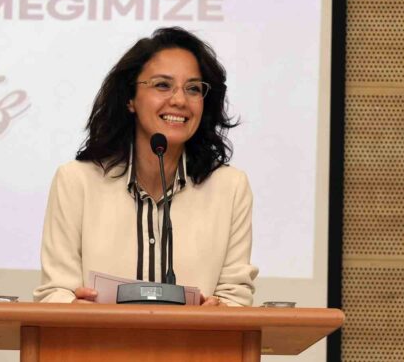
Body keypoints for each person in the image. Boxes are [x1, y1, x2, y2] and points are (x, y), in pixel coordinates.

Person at [33, 27, 258, 307]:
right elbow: (55, 292)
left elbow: (235, 296)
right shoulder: (76, 181)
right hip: (96, 336)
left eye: (193, 88)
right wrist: (73, 308)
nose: (179, 100)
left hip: (195, 337)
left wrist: (220, 310)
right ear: (130, 99)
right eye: (162, 85)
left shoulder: (229, 187)